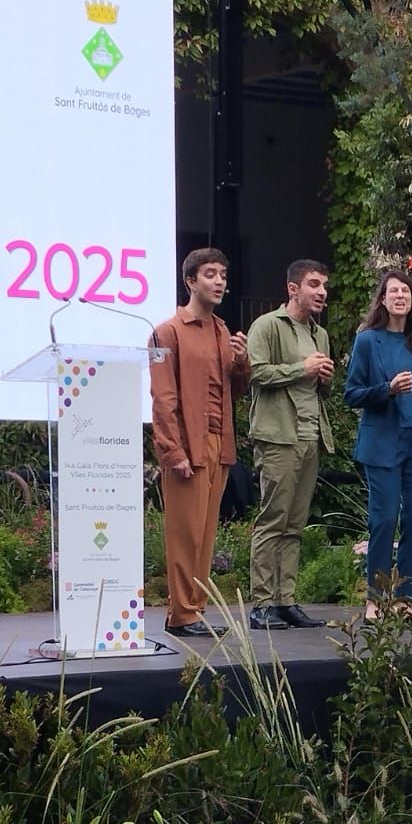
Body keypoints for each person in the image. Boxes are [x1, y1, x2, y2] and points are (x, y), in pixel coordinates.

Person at [149, 248, 250, 638]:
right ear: (191, 281)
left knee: (207, 531)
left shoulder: (223, 331)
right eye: (211, 274)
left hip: (218, 443)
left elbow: (235, 390)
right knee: (184, 530)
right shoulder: (167, 331)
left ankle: (196, 609)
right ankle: (181, 613)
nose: (220, 281)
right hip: (186, 444)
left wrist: (242, 363)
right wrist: (172, 451)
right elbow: (164, 398)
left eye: (223, 274)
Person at [344, 269, 412, 616]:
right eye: (393, 291)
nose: (400, 296)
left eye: (405, 291)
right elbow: (352, 394)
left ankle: (407, 598)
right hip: (383, 443)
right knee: (384, 519)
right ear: (383, 300)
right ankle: (376, 598)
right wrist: (387, 390)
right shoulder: (367, 341)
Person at [245, 259, 335, 629]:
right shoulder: (267, 325)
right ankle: (262, 603)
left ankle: (286, 600)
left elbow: (319, 386)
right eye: (314, 284)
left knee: (295, 525)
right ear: (293, 289)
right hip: (277, 436)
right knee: (273, 520)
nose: (322, 292)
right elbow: (255, 372)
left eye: (324, 286)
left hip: (311, 435)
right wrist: (303, 369)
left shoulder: (320, 334)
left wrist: (324, 377)